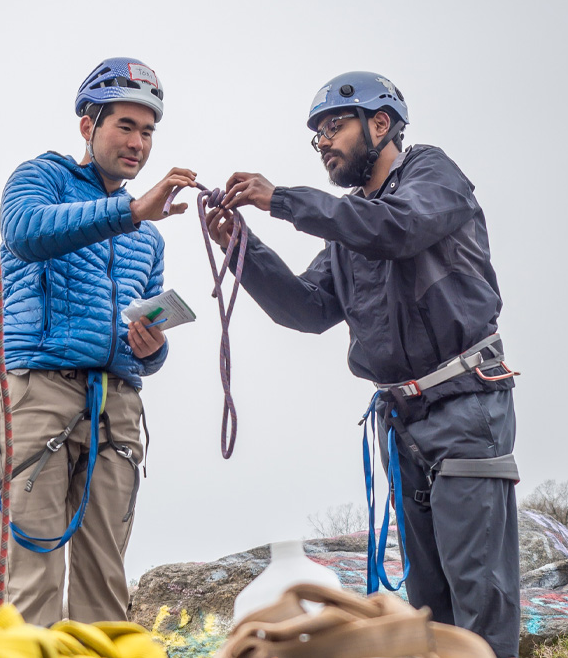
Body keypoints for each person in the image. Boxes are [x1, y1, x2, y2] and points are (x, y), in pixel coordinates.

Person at [206, 72, 519, 657]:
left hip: (466, 406)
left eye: (334, 127)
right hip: (402, 423)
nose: (324, 141)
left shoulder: (432, 174)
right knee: (429, 603)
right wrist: (240, 247)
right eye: (318, 134)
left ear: (381, 125)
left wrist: (281, 200)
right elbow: (309, 309)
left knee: (480, 596)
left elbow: (398, 229)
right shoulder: (351, 223)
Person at [0, 57, 197, 626]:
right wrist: (130, 211)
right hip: (38, 391)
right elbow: (24, 232)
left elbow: (149, 348)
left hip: (118, 405)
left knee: (105, 577)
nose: (139, 142)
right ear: (88, 125)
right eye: (126, 126)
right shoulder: (41, 177)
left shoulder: (149, 239)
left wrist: (152, 346)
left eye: (149, 131)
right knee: (34, 574)